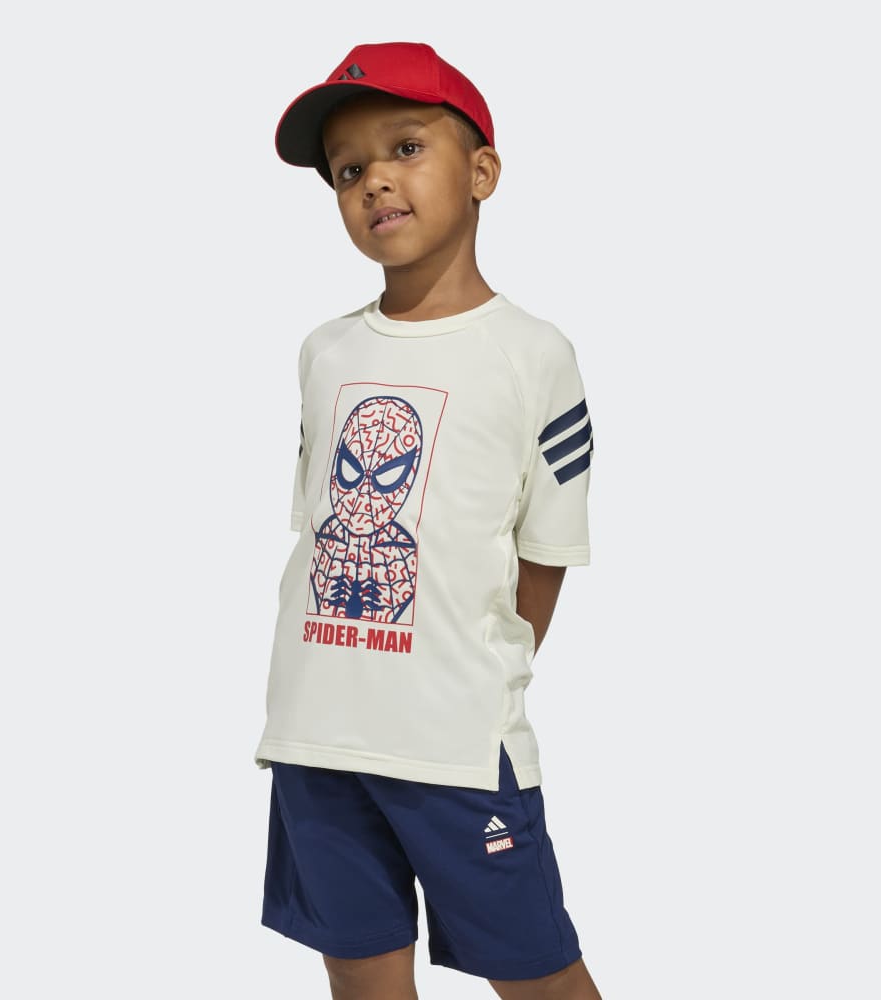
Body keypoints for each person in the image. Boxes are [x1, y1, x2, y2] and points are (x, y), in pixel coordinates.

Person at [254, 41, 602, 1000]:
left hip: (456, 747)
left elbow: (543, 560)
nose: (374, 181)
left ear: (482, 171)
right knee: (361, 976)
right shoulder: (325, 352)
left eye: (406, 148)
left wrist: (462, 676)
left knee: (539, 974)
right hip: (317, 737)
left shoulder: (533, 355)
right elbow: (318, 528)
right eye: (348, 170)